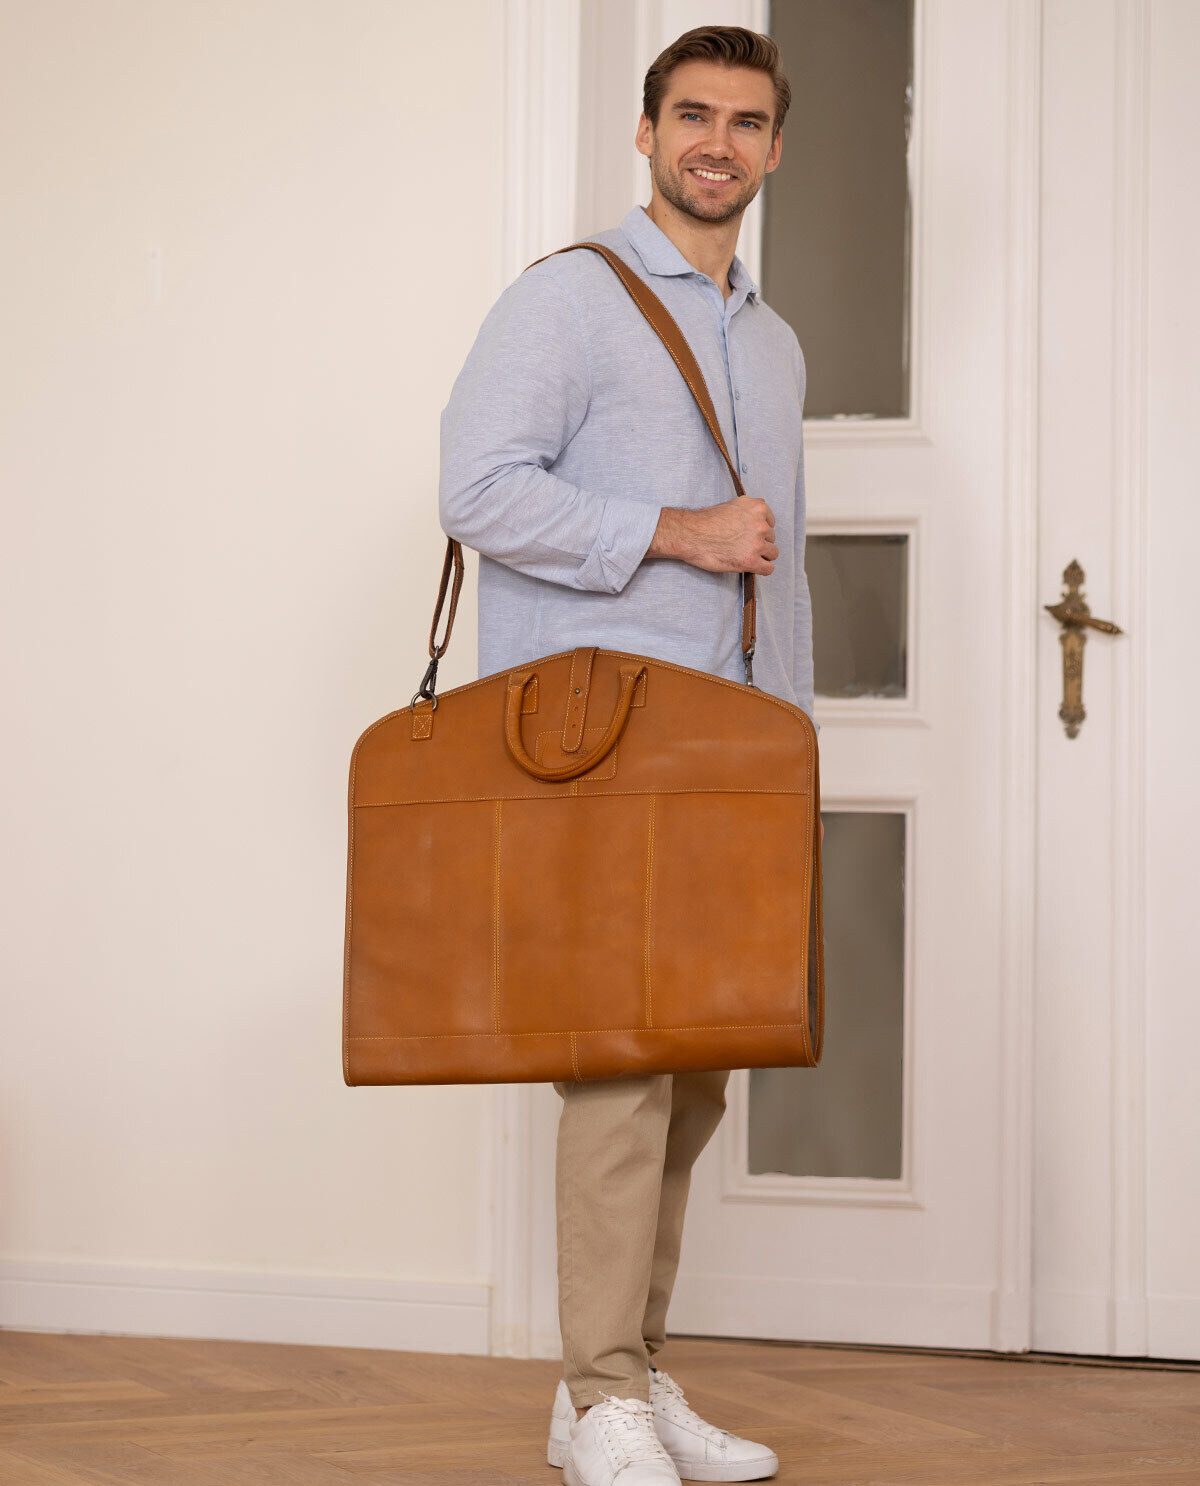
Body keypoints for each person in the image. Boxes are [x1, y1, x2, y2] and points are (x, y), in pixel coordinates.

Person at [439, 24, 818, 1486]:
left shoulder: (774, 341)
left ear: (776, 149)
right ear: (648, 134)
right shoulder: (568, 305)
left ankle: (626, 1375)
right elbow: (477, 487)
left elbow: (774, 566)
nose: (716, 142)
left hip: (737, 760)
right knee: (617, 1069)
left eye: (746, 121)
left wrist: (792, 750)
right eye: (692, 116)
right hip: (598, 754)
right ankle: (598, 1390)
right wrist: (674, 529)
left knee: (702, 1066)